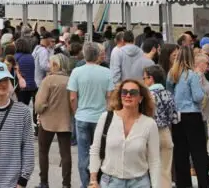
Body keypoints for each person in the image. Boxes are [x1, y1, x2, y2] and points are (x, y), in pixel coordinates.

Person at [89, 79, 160, 188]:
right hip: (110, 182)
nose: (128, 95)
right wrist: (93, 181)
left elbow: (154, 161)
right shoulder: (106, 118)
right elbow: (95, 150)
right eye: (124, 92)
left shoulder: (149, 124)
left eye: (133, 93)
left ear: (140, 98)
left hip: (140, 183)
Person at [166, 46, 209, 188]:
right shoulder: (192, 75)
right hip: (193, 115)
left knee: (181, 152)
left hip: (177, 117)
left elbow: (170, 94)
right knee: (199, 153)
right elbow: (198, 96)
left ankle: (183, 183)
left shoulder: (172, 74)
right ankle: (204, 184)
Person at [67, 42, 114, 188]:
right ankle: (98, 181)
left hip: (82, 116)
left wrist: (76, 111)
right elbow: (110, 97)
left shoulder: (76, 72)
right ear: (97, 56)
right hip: (101, 117)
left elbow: (73, 97)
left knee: (83, 154)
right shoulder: (107, 72)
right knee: (100, 151)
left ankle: (85, 183)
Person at [35, 54, 72, 188]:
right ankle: (66, 184)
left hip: (47, 121)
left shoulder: (48, 80)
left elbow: (39, 104)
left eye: (51, 63)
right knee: (65, 154)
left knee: (43, 152)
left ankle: (44, 182)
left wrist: (40, 111)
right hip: (65, 121)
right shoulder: (70, 80)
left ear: (56, 65)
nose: (49, 66)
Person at [143, 65, 177, 187]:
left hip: (150, 134)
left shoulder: (147, 96)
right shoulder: (168, 93)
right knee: (165, 170)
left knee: (147, 168)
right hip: (166, 133)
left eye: (144, 78)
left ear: (151, 78)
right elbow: (175, 118)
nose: (143, 81)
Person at [15, 38, 36, 105]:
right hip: (31, 86)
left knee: (18, 107)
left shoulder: (16, 57)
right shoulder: (31, 57)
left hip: (20, 87)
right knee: (25, 105)